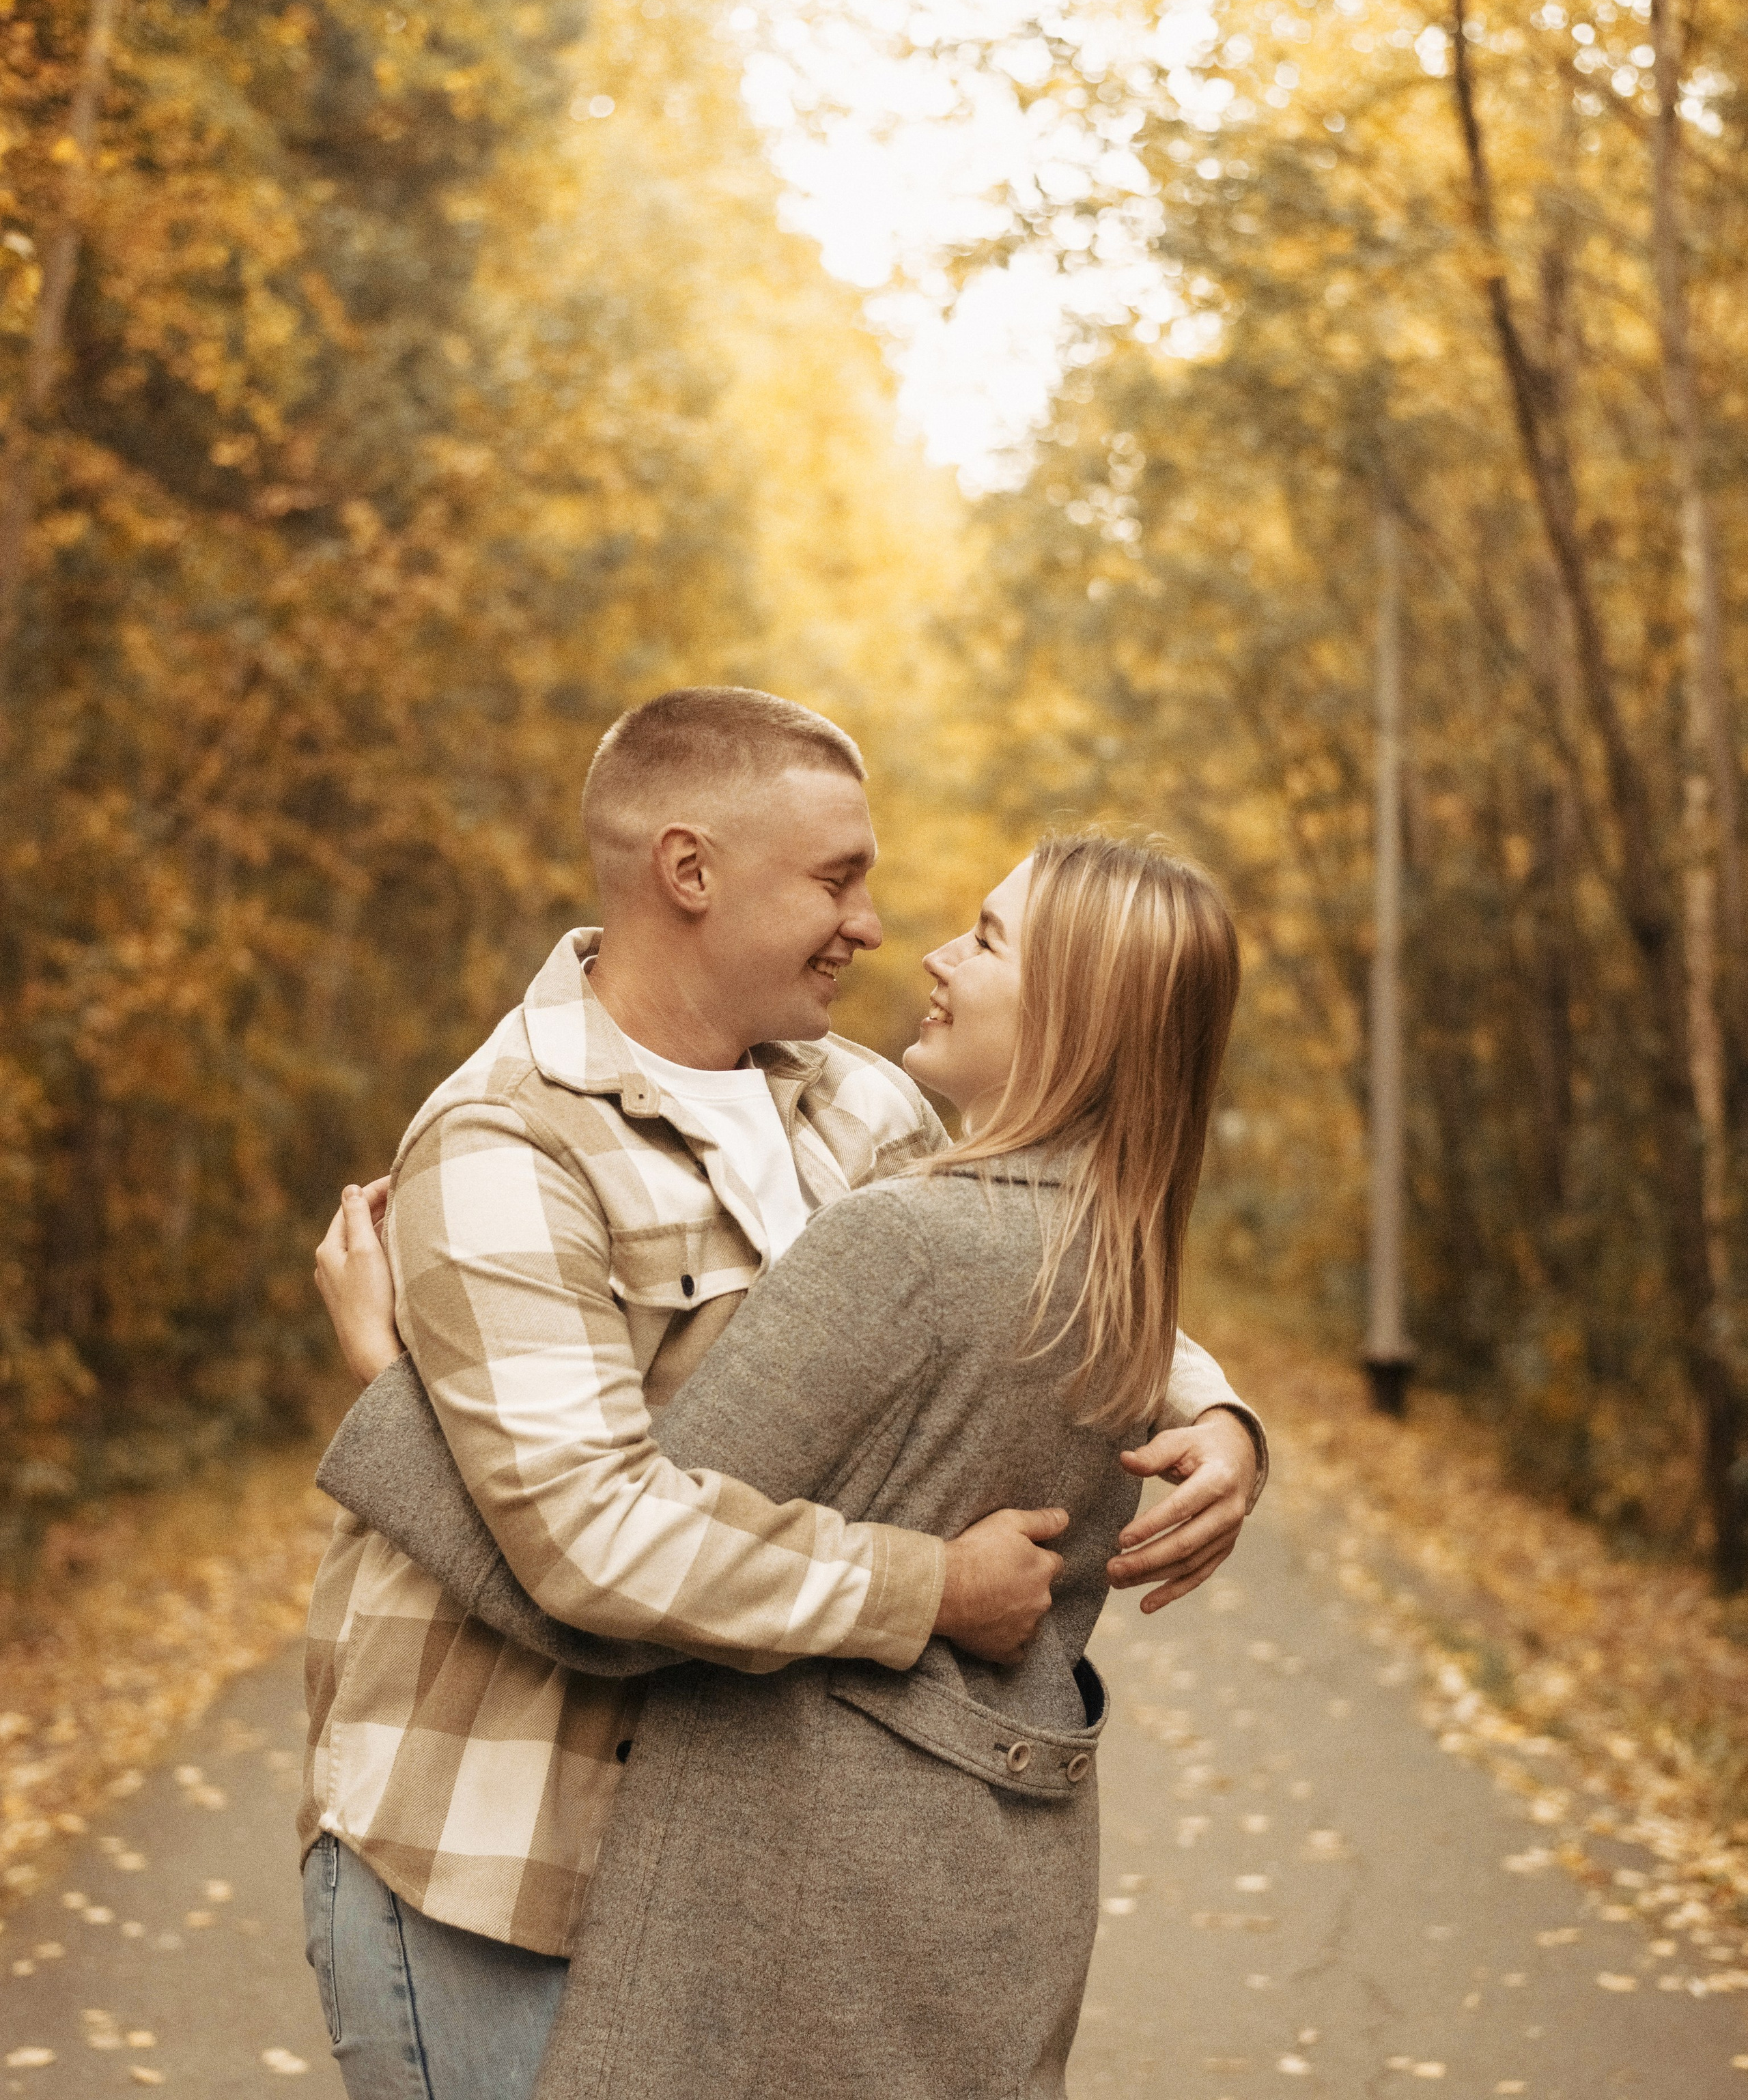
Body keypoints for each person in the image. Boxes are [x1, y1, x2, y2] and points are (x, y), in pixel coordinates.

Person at [302, 689, 1265, 2100]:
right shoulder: (509, 1141)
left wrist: (1212, 1411)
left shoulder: (859, 1107)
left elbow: (1022, 1268)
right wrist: (923, 1586)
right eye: (837, 879)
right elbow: (590, 1542)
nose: (872, 927)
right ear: (690, 873)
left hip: (706, 1867)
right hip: (493, 1876)